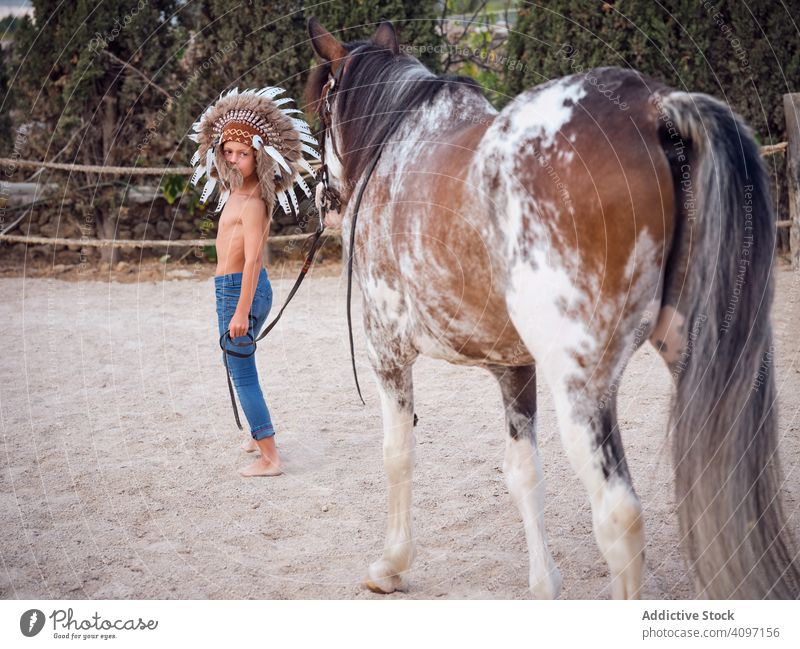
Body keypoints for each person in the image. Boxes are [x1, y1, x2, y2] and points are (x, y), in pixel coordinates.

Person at [188, 87, 319, 477]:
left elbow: (253, 260)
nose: (233, 158)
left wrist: (241, 309)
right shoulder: (236, 192)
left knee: (241, 370)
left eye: (242, 153)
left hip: (238, 291)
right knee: (241, 363)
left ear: (259, 154)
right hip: (234, 290)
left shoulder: (255, 203)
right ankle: (256, 436)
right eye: (227, 151)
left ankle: (270, 457)